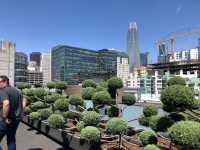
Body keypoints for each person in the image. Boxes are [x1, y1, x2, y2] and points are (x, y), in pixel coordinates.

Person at [0, 76, 27, 150]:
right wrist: (21, 112)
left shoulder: (3, 91)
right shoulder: (16, 90)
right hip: (16, 119)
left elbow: (6, 103)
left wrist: (4, 117)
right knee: (11, 139)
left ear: (5, 82)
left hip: (6, 120)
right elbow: (24, 100)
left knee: (10, 139)